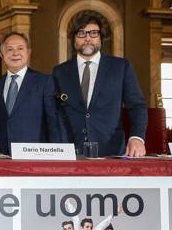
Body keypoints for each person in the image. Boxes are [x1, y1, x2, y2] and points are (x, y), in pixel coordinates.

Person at [52, 14, 147, 157]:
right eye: (81, 33)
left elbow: (137, 106)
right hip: (71, 152)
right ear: (73, 39)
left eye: (93, 33)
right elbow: (55, 112)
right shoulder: (60, 72)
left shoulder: (121, 67)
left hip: (111, 150)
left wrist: (137, 138)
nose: (88, 38)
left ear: (101, 38)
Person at [0, 31, 62, 154]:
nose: (15, 53)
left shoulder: (44, 82)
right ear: (2, 54)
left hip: (34, 155)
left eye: (20, 48)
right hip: (1, 155)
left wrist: (56, 155)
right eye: (9, 49)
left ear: (28, 52)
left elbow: (53, 122)